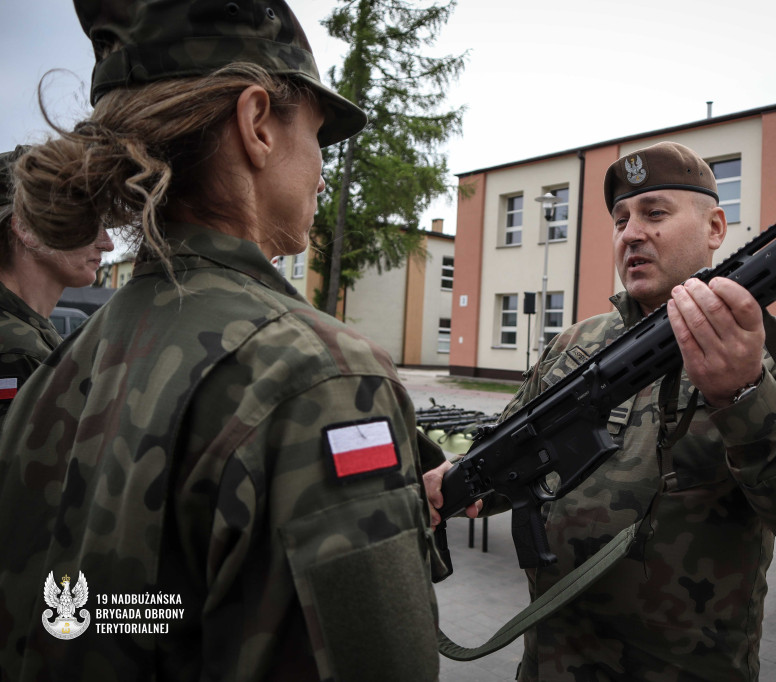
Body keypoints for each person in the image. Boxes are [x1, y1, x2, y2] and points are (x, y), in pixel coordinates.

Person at [0, 2, 446, 680]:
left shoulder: (60, 369)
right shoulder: (316, 375)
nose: (323, 171)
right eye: (318, 136)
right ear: (258, 123)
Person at [427, 141, 776, 681]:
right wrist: (458, 482)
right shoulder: (575, 344)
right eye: (620, 220)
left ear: (714, 228)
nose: (631, 233)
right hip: (550, 666)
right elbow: (516, 451)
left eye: (655, 213)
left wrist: (745, 396)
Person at [0, 145, 114, 426]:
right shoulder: (15, 351)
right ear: (26, 229)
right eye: (86, 221)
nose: (107, 243)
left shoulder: (28, 331)